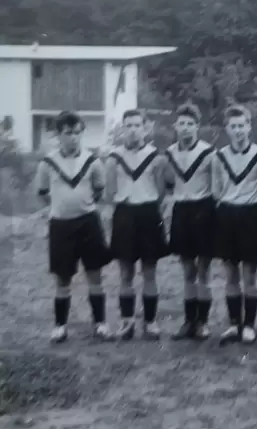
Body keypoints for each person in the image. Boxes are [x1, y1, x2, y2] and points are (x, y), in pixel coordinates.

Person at [35, 111, 113, 343]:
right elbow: (42, 194)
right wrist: (60, 208)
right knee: (62, 278)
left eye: (77, 133)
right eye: (68, 133)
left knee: (95, 275)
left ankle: (100, 323)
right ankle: (60, 327)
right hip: (61, 226)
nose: (73, 138)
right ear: (58, 135)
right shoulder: (47, 163)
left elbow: (99, 190)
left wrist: (82, 205)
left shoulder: (93, 161)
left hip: (88, 223)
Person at [106, 109, 171, 340]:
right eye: (128, 125)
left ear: (145, 128)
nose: (133, 130)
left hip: (148, 214)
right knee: (125, 273)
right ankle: (127, 322)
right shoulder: (113, 157)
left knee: (150, 272)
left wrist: (148, 203)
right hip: (125, 214)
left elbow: (162, 191)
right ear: (123, 129)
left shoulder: (157, 156)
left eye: (137, 125)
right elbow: (110, 191)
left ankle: (151, 322)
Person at [212, 105, 257, 345]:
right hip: (227, 215)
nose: (238, 130)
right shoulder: (219, 156)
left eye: (242, 125)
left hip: (251, 215)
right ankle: (234, 324)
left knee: (249, 275)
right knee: (230, 275)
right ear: (227, 129)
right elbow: (216, 189)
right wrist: (229, 204)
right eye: (233, 126)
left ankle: (249, 325)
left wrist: (252, 206)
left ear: (249, 126)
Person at [165, 102, 216, 341]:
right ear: (175, 126)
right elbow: (167, 185)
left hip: (203, 210)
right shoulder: (169, 153)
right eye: (181, 124)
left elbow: (216, 188)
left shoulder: (209, 153)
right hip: (181, 211)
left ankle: (203, 323)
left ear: (198, 126)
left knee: (203, 271)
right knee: (187, 271)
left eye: (190, 124)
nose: (185, 128)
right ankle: (188, 321)